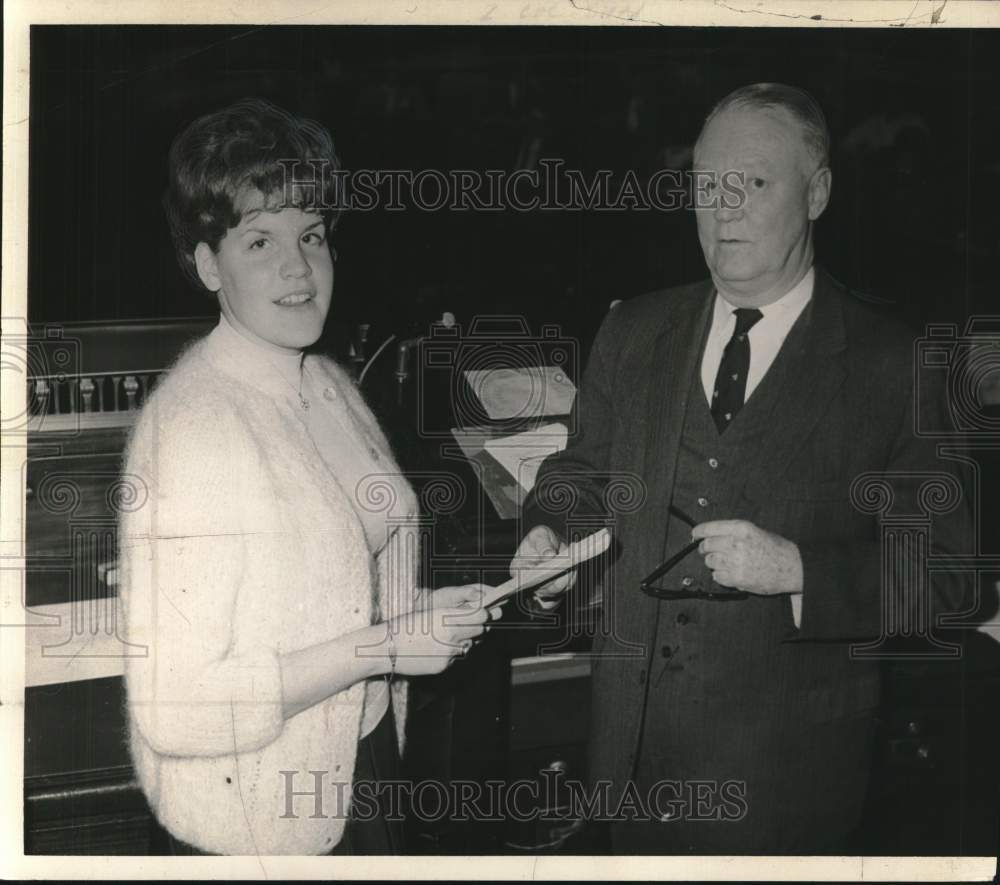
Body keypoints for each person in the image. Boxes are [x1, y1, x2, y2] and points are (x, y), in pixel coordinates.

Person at [511, 83, 972, 854]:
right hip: (629, 768)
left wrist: (800, 569)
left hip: (786, 787)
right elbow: (579, 474)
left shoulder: (901, 366)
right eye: (705, 184)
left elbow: (956, 572)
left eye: (753, 182)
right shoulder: (633, 330)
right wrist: (551, 532)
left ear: (818, 192)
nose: (723, 208)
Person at [119, 98, 495, 856]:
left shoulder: (327, 383)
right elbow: (175, 705)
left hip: (363, 765)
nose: (299, 266)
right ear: (205, 265)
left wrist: (433, 613)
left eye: (311, 235)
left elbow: (334, 592)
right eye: (259, 241)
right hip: (255, 818)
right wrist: (387, 646)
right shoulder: (196, 427)